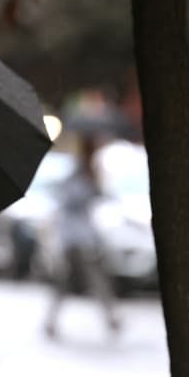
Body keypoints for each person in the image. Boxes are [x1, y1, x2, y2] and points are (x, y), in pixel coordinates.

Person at [44, 132, 121, 339]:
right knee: (84, 278)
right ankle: (110, 317)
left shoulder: (89, 174)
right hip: (73, 238)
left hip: (85, 236)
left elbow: (99, 197)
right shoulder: (76, 176)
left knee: (77, 279)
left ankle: (109, 317)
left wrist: (96, 183)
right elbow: (71, 200)